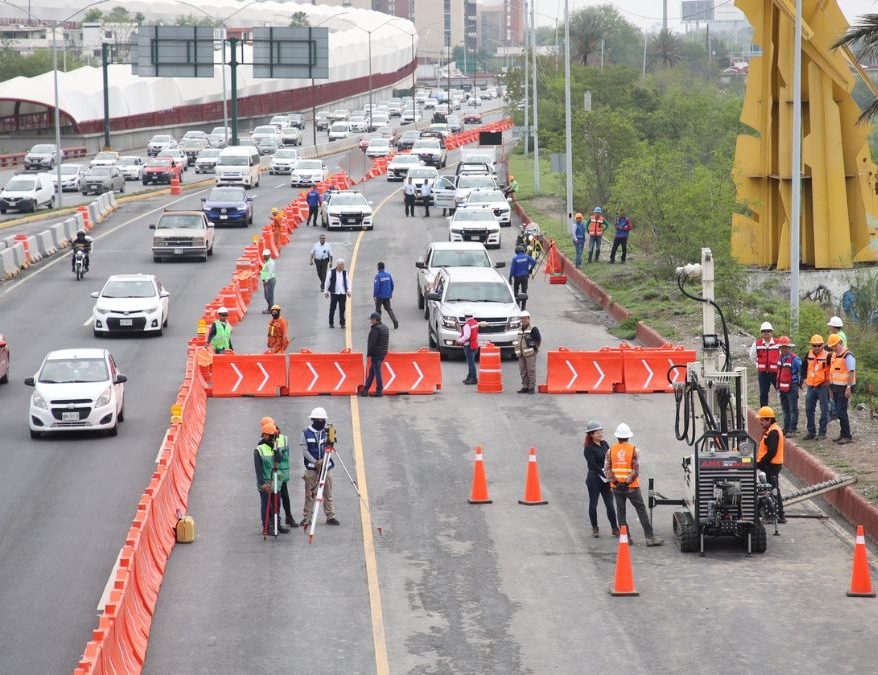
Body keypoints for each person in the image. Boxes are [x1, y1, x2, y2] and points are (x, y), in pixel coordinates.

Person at [604, 423, 664, 546]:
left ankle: (625, 539)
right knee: (641, 510)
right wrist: (626, 483)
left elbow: (607, 469)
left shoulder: (610, 451)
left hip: (616, 488)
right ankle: (649, 538)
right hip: (631, 488)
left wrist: (616, 482)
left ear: (618, 437)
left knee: (621, 512)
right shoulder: (633, 450)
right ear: (628, 437)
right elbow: (635, 470)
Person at [300, 407, 340, 527]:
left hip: (326, 467)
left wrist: (324, 460)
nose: (322, 422)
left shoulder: (327, 432)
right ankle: (307, 517)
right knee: (310, 494)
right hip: (312, 469)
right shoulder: (306, 433)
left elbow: (331, 448)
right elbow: (304, 450)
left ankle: (330, 516)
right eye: (320, 420)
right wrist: (315, 462)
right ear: (314, 420)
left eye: (323, 420)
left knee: (327, 493)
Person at [582, 421, 619, 538]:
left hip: (606, 478)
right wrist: (605, 474)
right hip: (594, 478)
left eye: (601, 432)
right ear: (591, 434)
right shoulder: (588, 448)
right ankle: (595, 527)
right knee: (593, 504)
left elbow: (610, 458)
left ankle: (614, 528)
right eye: (598, 432)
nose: (601, 434)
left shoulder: (604, 444)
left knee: (610, 504)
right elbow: (592, 465)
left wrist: (610, 473)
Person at [261, 417, 297, 529]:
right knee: (272, 499)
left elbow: (286, 456)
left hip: (281, 473)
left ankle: (287, 517)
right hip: (272, 474)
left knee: (284, 496)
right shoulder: (262, 442)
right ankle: (273, 522)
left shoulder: (283, 439)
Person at [254, 421, 290, 535]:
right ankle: (266, 526)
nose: (273, 438)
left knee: (276, 505)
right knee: (266, 505)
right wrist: (262, 483)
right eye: (271, 436)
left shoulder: (274, 446)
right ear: (265, 435)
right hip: (266, 483)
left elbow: (279, 459)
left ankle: (276, 524)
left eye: (274, 435)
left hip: (276, 482)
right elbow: (258, 469)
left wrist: (275, 449)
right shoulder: (258, 450)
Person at [756, 406, 786, 523]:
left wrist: (761, 463)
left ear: (769, 419)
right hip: (770, 465)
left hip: (771, 466)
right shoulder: (772, 430)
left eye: (762, 420)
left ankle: (777, 515)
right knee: (770, 489)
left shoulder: (773, 432)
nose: (760, 422)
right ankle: (776, 515)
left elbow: (772, 451)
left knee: (772, 490)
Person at [802, 334, 831, 441]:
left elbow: (832, 370)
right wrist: (804, 378)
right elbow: (803, 367)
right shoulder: (808, 355)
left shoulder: (828, 356)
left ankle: (822, 433)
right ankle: (811, 432)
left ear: (822, 345)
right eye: (815, 345)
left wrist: (829, 383)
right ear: (811, 345)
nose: (817, 347)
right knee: (809, 409)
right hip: (811, 387)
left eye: (819, 345)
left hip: (823, 387)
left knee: (824, 410)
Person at [828, 333, 856, 444]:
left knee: (841, 411)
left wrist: (848, 388)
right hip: (835, 387)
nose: (833, 348)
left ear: (840, 343)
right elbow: (833, 372)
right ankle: (843, 433)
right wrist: (830, 388)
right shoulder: (834, 355)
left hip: (844, 388)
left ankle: (847, 435)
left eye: (835, 345)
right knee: (839, 412)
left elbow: (851, 372)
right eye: (832, 346)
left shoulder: (848, 355)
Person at [776, 336, 802, 437]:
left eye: (785, 347)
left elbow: (802, 371)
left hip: (792, 387)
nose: (783, 349)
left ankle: (793, 429)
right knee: (785, 409)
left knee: (793, 409)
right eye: (782, 347)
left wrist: (799, 382)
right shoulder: (780, 358)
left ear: (789, 348)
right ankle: (786, 429)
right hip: (782, 388)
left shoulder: (795, 359)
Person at [749, 321, 779, 407]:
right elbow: (752, 356)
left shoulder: (778, 343)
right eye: (764, 331)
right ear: (761, 332)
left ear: (771, 332)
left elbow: (782, 356)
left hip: (775, 373)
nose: (766, 333)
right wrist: (757, 364)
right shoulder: (756, 344)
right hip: (763, 374)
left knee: (781, 391)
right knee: (763, 394)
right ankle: (764, 413)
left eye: (768, 331)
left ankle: (784, 409)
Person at [360, 312, 390, 397]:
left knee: (377, 372)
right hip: (382, 353)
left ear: (375, 320)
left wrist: (369, 354)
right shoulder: (385, 327)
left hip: (376, 354)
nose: (371, 321)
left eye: (372, 320)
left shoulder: (375, 329)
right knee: (372, 372)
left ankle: (379, 391)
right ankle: (366, 390)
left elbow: (372, 343)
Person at [514, 311, 541, 394]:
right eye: (522, 319)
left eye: (525, 318)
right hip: (521, 354)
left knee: (531, 371)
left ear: (529, 319)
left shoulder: (533, 329)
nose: (524, 320)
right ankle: (525, 386)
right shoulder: (519, 329)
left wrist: (534, 349)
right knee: (523, 371)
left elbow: (538, 340)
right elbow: (518, 341)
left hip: (530, 354)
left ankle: (531, 387)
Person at [324, 258, 351, 329]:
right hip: (334, 293)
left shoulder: (345, 273)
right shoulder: (331, 272)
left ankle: (342, 323)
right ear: (338, 265)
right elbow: (327, 282)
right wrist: (326, 291)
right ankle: (331, 323)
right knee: (332, 308)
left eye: (343, 265)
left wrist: (348, 290)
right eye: (342, 265)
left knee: (342, 309)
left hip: (342, 293)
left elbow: (348, 282)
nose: (343, 266)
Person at [509, 245, 537, 310]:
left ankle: (517, 305)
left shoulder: (515, 258)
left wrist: (510, 278)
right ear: (523, 251)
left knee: (516, 291)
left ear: (516, 252)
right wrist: (530, 270)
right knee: (524, 292)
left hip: (517, 277)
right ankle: (523, 307)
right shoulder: (527, 257)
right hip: (525, 277)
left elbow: (512, 269)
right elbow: (534, 262)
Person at [373, 261, 399, 329]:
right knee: (389, 309)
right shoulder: (388, 275)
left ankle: (378, 325)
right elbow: (392, 285)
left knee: (378, 310)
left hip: (379, 296)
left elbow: (376, 287)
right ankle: (395, 321)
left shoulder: (378, 276)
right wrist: (390, 293)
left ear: (378, 268)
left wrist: (375, 296)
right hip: (387, 296)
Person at [457, 312, 479, 385]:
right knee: (471, 362)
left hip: (469, 345)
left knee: (471, 363)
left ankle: (473, 378)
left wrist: (459, 340)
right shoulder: (475, 322)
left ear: (465, 317)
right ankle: (469, 377)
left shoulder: (467, 325)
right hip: (474, 344)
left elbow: (466, 336)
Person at [260, 249, 276, 314]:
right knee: (267, 296)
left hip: (270, 281)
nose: (264, 257)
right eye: (264, 255)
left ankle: (271, 309)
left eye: (266, 256)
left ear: (269, 255)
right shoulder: (267, 262)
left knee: (269, 296)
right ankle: (270, 308)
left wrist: (266, 279)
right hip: (266, 281)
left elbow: (270, 272)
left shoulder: (271, 263)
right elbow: (265, 271)